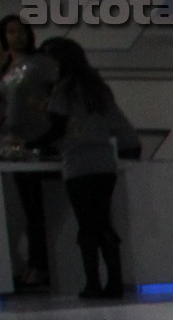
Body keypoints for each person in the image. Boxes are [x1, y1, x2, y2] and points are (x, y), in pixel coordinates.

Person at [26, 39, 137, 299]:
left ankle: (93, 283)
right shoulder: (97, 88)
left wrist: (29, 143)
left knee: (87, 225)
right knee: (102, 221)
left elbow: (56, 128)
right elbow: (119, 124)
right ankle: (115, 282)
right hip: (103, 162)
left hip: (78, 161)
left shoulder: (63, 89)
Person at [1, 15, 59, 291]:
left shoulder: (40, 64)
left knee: (37, 209)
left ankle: (41, 265)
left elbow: (58, 92)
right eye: (11, 32)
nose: (17, 37)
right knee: (22, 208)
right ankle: (30, 264)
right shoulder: (5, 67)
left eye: (21, 31)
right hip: (11, 143)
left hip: (38, 140)